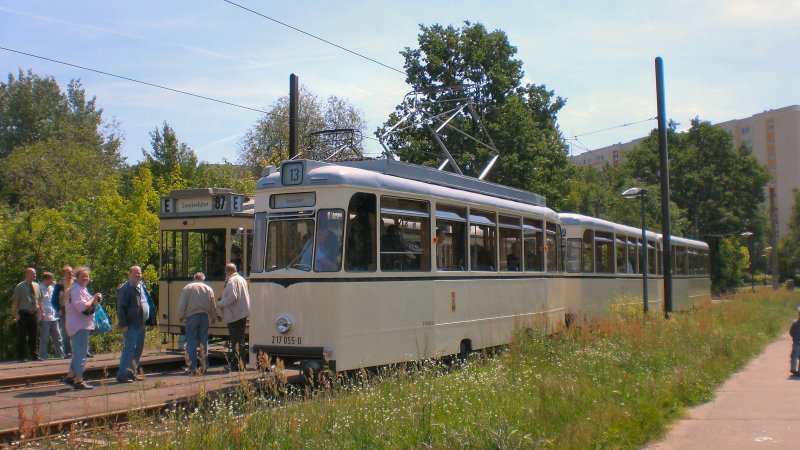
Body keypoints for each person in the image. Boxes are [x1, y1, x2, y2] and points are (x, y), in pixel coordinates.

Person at [62, 266, 102, 390]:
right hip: (78, 326)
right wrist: (94, 299)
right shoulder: (76, 290)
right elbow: (81, 307)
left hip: (80, 325)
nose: (85, 278)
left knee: (78, 352)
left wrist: (94, 299)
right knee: (81, 353)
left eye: (87, 276)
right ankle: (79, 380)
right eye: (82, 276)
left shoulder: (79, 289)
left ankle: (70, 377)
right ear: (76, 277)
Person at [116, 265, 155, 383]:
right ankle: (122, 374)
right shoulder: (126, 288)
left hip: (141, 323)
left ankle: (132, 372)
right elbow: (121, 308)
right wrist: (123, 324)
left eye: (139, 273)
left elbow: (147, 302)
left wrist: (151, 319)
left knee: (138, 349)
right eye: (135, 273)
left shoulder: (142, 286)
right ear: (129, 275)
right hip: (131, 323)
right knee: (129, 348)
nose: (137, 275)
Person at [177, 272, 217, 375]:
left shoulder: (188, 288)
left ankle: (192, 367)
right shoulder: (208, 288)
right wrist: (213, 317)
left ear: (194, 278)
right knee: (204, 342)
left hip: (191, 317)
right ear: (203, 279)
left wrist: (180, 316)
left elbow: (183, 303)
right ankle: (204, 366)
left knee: (191, 341)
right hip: (204, 316)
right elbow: (213, 304)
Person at [218, 263, 250, 371]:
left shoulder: (232, 280)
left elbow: (233, 296)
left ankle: (236, 365)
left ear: (227, 271)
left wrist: (220, 303)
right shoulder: (242, 279)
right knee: (239, 340)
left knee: (236, 341)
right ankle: (241, 364)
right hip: (242, 313)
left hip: (235, 314)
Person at [11, 267, 41, 362]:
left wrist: (41, 311)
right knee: (22, 335)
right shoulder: (20, 286)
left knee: (34, 335)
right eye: (32, 273)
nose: (35, 275)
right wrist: (15, 313)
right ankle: (21, 356)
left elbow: (40, 299)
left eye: (35, 274)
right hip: (23, 314)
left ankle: (34, 355)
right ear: (27, 274)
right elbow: (15, 301)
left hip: (33, 314)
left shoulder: (36, 285)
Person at [38, 272, 65, 360]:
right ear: (46, 279)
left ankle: (61, 355)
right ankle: (43, 356)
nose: (52, 281)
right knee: (44, 339)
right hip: (44, 317)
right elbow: (39, 302)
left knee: (58, 338)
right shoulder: (39, 289)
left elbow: (57, 298)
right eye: (51, 279)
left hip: (53, 316)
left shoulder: (52, 288)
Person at [52, 266, 74, 357]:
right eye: (68, 272)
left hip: (76, 309)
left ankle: (84, 350)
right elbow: (54, 299)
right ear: (64, 273)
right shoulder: (59, 284)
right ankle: (68, 352)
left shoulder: (77, 282)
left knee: (79, 330)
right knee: (65, 331)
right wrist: (58, 309)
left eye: (71, 272)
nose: (70, 274)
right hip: (64, 309)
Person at [790, 307, 800, 376]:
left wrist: (794, 337)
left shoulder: (795, 322)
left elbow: (791, 331)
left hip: (796, 341)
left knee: (794, 355)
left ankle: (793, 369)